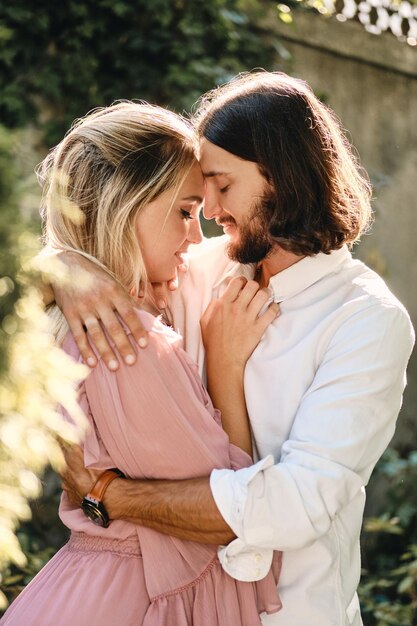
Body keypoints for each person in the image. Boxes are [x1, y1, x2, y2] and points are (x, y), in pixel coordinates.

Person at [51, 73, 413, 626]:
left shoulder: (365, 320)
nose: (208, 210)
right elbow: (92, 241)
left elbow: (296, 505)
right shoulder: (192, 269)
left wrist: (110, 496)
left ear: (283, 177)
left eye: (222, 184)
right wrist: (60, 267)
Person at [0, 101, 283, 626]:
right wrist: (224, 366)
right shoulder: (124, 339)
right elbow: (231, 514)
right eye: (184, 211)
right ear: (124, 205)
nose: (198, 236)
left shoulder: (68, 326)